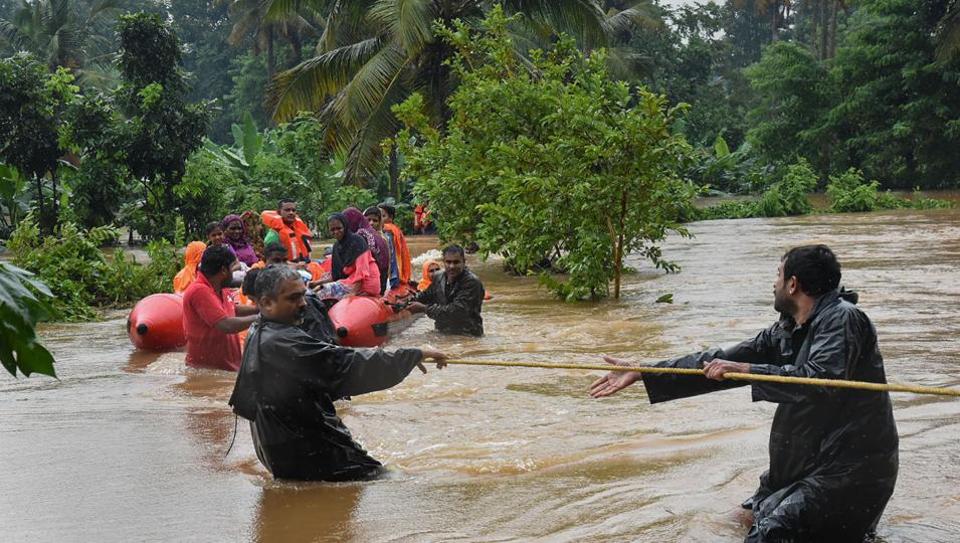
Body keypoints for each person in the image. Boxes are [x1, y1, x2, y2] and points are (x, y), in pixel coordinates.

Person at [589, 245, 899, 543]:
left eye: (777, 275)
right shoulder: (790, 328)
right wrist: (647, 370)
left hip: (849, 471)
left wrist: (749, 369)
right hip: (804, 467)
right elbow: (722, 361)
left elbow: (821, 382)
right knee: (736, 522)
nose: (773, 283)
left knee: (769, 533)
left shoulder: (843, 319)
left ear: (793, 284)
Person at [228, 265, 448, 481]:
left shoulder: (260, 330)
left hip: (279, 448)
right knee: (395, 481)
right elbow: (345, 364)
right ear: (266, 303)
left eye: (303, 295)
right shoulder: (282, 343)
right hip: (307, 452)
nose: (303, 303)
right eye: (293, 298)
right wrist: (413, 355)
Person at [182, 245, 260, 371]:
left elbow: (232, 309)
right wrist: (261, 317)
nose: (233, 273)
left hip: (225, 368)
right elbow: (225, 324)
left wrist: (258, 309)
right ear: (223, 270)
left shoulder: (219, 287)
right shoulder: (199, 291)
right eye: (232, 268)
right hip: (207, 372)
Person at [407, 245, 484, 336]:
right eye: (448, 262)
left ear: (464, 262)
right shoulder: (439, 277)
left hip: (467, 335)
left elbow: (456, 311)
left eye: (456, 262)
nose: (451, 266)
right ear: (443, 262)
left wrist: (424, 309)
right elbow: (427, 295)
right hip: (442, 332)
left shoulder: (471, 282)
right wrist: (408, 301)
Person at [312, 213, 381, 300]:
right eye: (332, 229)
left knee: (325, 291)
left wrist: (353, 292)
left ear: (345, 226)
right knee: (317, 290)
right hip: (349, 281)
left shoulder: (357, 241)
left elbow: (362, 271)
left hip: (367, 282)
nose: (336, 232)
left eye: (339, 228)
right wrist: (316, 283)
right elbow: (336, 275)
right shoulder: (337, 247)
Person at [343, 207, 389, 294]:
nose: (371, 223)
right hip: (381, 284)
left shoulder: (359, 236)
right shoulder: (377, 236)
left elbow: (361, 268)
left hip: (368, 284)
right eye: (369, 220)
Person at [378, 204, 412, 289]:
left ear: (391, 217)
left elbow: (391, 257)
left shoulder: (388, 230)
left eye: (383, 216)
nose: (380, 219)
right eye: (378, 216)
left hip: (392, 275)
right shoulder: (395, 230)